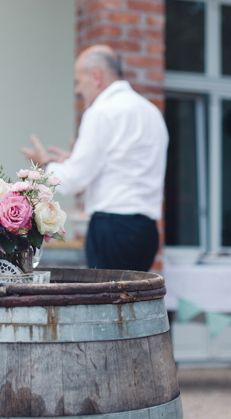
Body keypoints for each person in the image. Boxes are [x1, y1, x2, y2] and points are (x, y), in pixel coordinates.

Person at [22, 44, 169, 272]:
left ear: (96, 76)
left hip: (113, 229)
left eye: (79, 82)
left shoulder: (101, 112)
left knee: (108, 304)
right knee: (133, 302)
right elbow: (121, 165)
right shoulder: (152, 112)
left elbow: (72, 181)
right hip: (147, 232)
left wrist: (46, 164)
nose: (78, 91)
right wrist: (76, 161)